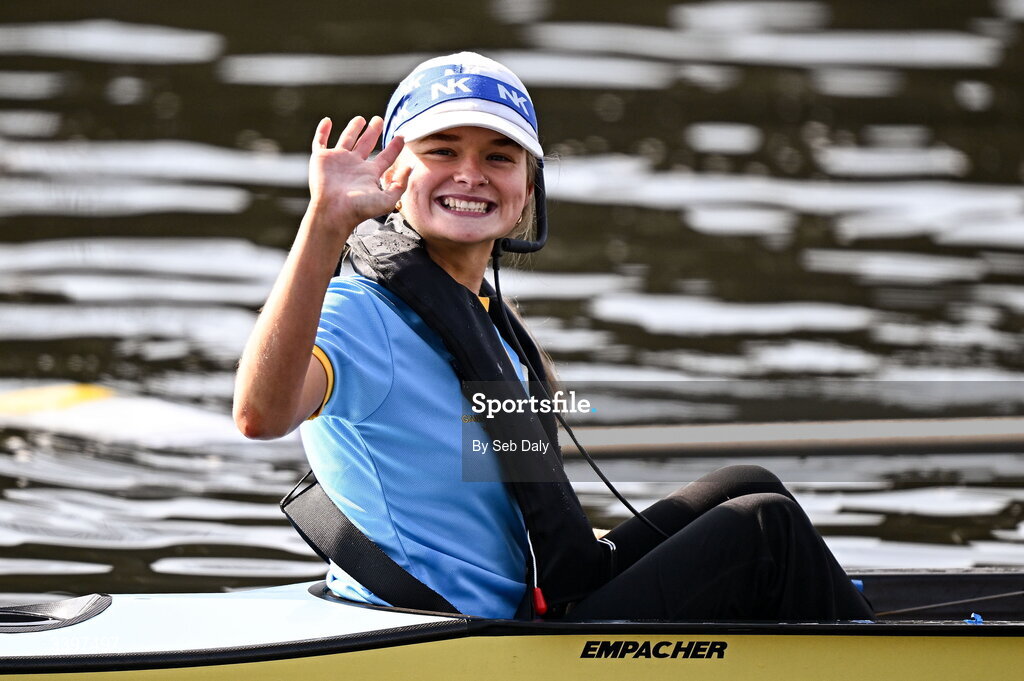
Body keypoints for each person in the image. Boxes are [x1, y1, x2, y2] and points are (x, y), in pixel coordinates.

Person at [233, 52, 873, 622]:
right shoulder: (356, 314)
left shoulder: (484, 318)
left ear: (527, 188)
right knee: (764, 531)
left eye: (498, 157)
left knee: (744, 485)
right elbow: (260, 416)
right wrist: (322, 224)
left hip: (536, 598)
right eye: (443, 150)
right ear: (392, 176)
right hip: (464, 633)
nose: (470, 173)